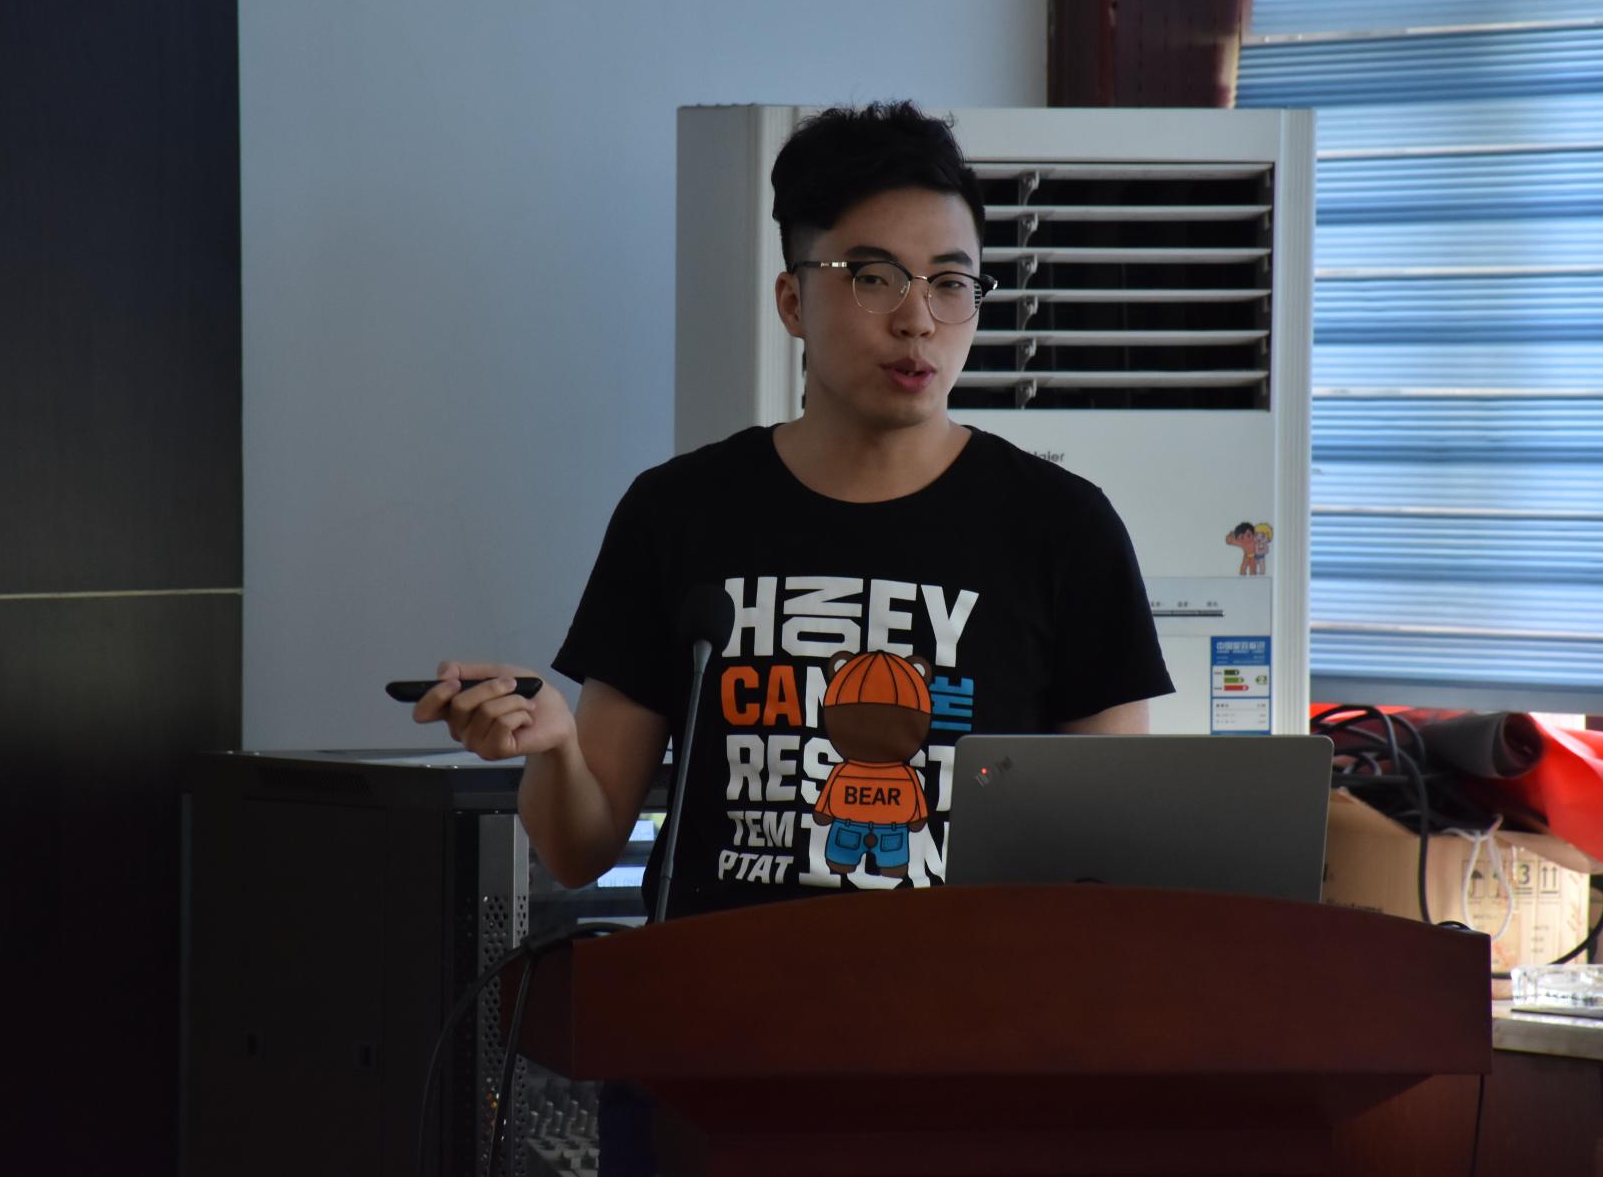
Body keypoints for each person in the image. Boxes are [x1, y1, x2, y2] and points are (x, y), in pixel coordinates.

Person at [415, 101, 1173, 921]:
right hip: (721, 992)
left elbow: (1112, 856)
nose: (918, 319)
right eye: (874, 277)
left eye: (951, 283)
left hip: (967, 993)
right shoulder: (679, 511)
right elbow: (577, 850)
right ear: (792, 301)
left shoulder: (1064, 528)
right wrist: (555, 746)